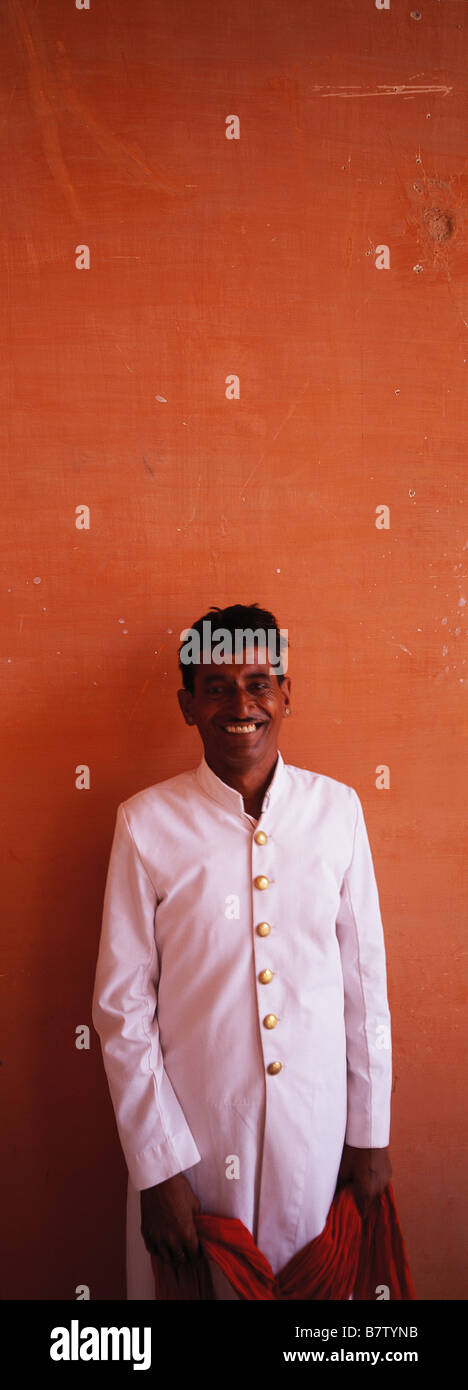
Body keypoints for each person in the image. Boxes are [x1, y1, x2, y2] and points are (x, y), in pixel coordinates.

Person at [92, 602, 392, 1300]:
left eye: (259, 681)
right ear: (187, 704)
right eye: (217, 686)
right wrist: (156, 1167)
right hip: (195, 1145)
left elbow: (364, 986)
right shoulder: (146, 825)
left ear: (287, 692)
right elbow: (121, 1008)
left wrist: (371, 1135)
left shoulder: (338, 812)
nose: (241, 703)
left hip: (318, 1144)